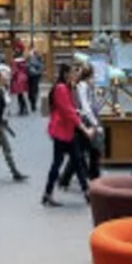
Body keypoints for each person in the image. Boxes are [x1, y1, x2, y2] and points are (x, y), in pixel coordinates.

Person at [42, 63, 92, 207]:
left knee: (75, 161)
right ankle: (85, 193)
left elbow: (69, 109)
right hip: (62, 132)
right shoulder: (61, 88)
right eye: (72, 73)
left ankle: (85, 192)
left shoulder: (65, 88)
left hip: (66, 131)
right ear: (66, 74)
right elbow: (67, 111)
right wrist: (83, 127)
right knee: (62, 163)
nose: (75, 76)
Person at [25, 51, 45, 115]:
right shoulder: (37, 59)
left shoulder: (29, 59)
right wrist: (39, 73)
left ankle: (32, 101)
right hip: (34, 76)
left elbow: (26, 66)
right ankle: (33, 102)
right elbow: (41, 67)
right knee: (34, 89)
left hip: (31, 76)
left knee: (31, 89)